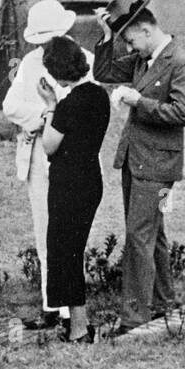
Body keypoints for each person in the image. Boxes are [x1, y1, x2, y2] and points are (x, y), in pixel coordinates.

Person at [92, 0, 185, 335]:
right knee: (154, 234)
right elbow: (105, 71)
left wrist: (141, 102)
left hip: (158, 164)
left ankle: (135, 316)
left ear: (146, 29)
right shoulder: (144, 58)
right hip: (137, 160)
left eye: (130, 39)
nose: (129, 46)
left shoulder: (179, 61)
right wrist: (107, 35)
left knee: (139, 235)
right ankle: (164, 302)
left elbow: (184, 113)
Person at [1, 0, 93, 331]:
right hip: (39, 153)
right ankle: (51, 303)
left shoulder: (85, 62)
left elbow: (83, 109)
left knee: (70, 234)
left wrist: (58, 117)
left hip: (72, 157)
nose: (44, 46)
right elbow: (11, 105)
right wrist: (44, 116)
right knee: (46, 231)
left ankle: (73, 310)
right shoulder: (28, 61)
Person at [36, 37, 111, 343]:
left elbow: (49, 144)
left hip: (69, 183)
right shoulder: (99, 96)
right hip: (90, 178)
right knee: (72, 250)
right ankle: (79, 323)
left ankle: (79, 327)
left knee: (64, 252)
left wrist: (51, 106)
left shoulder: (69, 103)